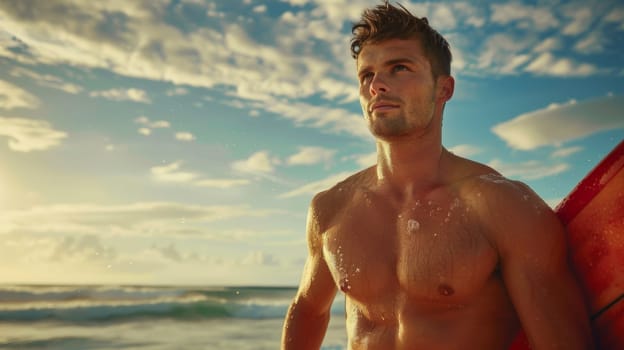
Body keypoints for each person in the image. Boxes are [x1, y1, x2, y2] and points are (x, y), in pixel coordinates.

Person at [281, 1, 594, 349]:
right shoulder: (331, 209)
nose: (377, 85)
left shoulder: (503, 207)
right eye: (366, 74)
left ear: (443, 89)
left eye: (398, 68)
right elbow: (308, 309)